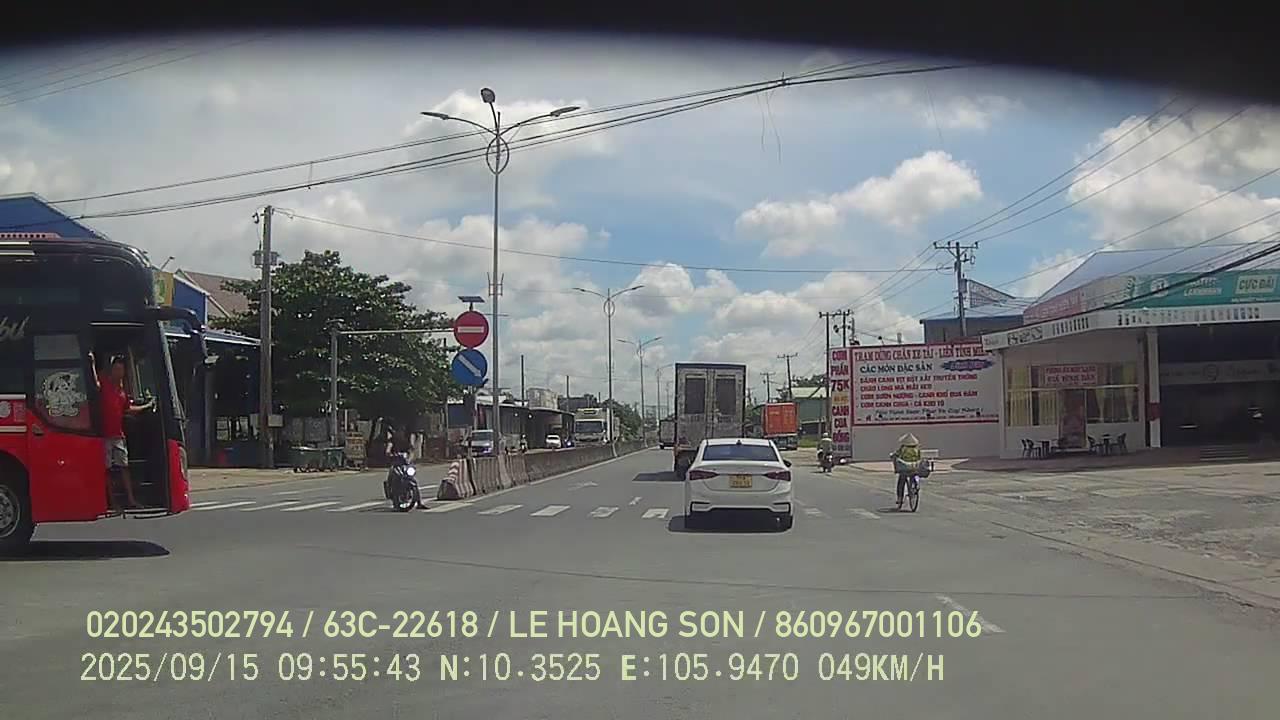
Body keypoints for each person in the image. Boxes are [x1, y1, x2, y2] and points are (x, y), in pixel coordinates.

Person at [90, 353, 156, 510]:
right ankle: (112, 501)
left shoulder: (122, 392)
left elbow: (128, 409)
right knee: (106, 469)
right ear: (111, 370)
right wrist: (91, 364)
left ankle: (131, 499)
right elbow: (94, 384)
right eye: (116, 369)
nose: (119, 372)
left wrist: (146, 407)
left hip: (118, 434)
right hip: (104, 435)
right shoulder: (104, 383)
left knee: (124, 467)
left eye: (121, 370)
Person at [892, 432, 923, 508]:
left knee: (901, 482)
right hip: (915, 468)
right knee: (913, 476)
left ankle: (900, 498)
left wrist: (893, 456)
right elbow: (920, 458)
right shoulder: (917, 449)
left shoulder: (903, 448)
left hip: (905, 468)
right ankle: (915, 488)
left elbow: (896, 455)